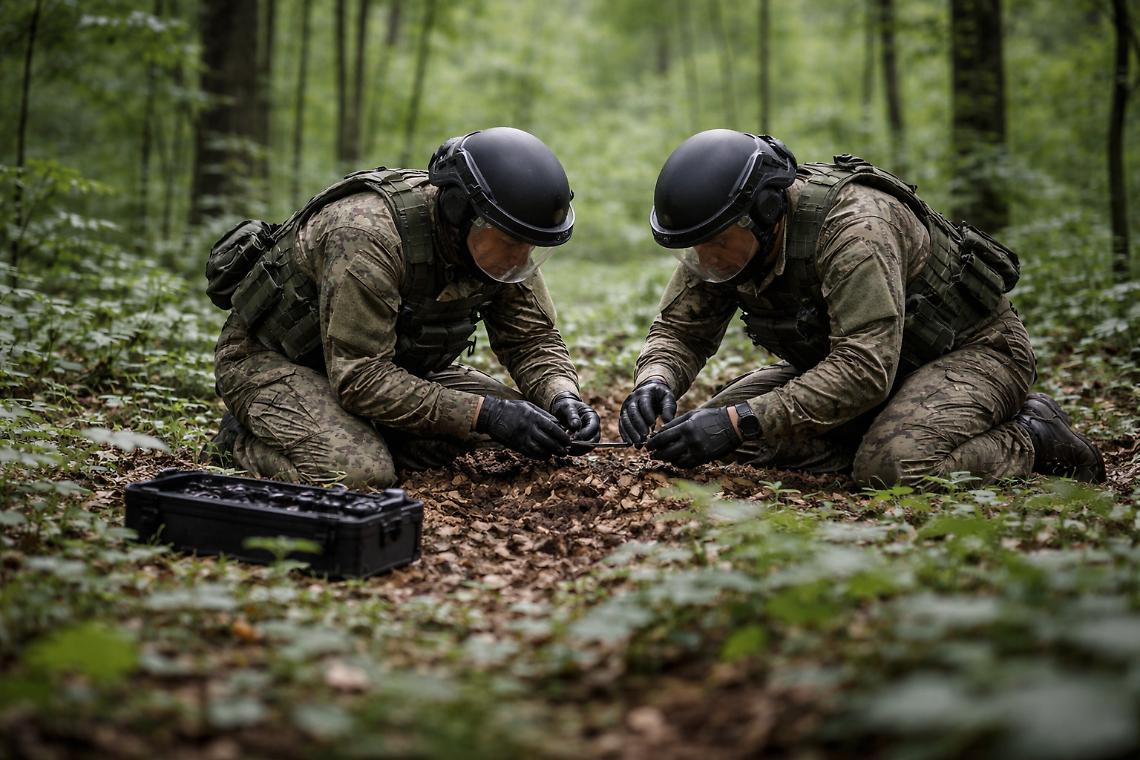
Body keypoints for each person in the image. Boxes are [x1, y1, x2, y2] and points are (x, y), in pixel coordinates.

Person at [619, 129, 1105, 486]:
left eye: (716, 243)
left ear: (764, 214)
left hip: (971, 352)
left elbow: (864, 369)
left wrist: (739, 419)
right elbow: (681, 331)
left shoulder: (855, 231)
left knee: (892, 469)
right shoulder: (723, 238)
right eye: (693, 249)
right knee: (711, 442)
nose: (704, 260)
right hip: (875, 369)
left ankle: (1032, 436)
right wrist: (655, 381)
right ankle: (893, 429)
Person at [202, 127, 600, 488]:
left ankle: (370, 433)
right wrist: (484, 413)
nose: (522, 256)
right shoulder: (366, 235)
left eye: (530, 245)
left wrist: (561, 396)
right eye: (513, 242)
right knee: (360, 474)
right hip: (274, 359)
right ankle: (240, 440)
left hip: (388, 365)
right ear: (461, 212)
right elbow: (360, 377)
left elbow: (531, 339)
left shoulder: (500, 237)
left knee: (537, 432)